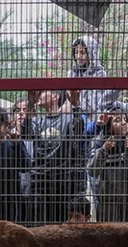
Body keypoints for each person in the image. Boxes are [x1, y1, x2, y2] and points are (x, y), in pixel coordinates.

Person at [20, 89, 88, 225]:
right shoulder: (36, 121)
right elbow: (25, 133)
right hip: (40, 183)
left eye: (43, 91)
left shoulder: (68, 119)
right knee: (39, 227)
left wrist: (75, 106)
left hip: (64, 183)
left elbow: (79, 130)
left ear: (56, 96)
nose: (39, 94)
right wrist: (30, 104)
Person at [87, 105, 128, 223]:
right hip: (107, 203)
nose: (124, 123)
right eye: (118, 120)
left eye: (125, 119)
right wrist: (104, 150)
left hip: (127, 202)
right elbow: (92, 171)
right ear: (109, 127)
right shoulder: (99, 142)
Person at [67, 36, 121, 118]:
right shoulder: (72, 74)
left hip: (96, 116)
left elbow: (96, 104)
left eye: (82, 53)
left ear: (91, 53)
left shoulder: (100, 74)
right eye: (76, 52)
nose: (78, 56)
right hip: (75, 115)